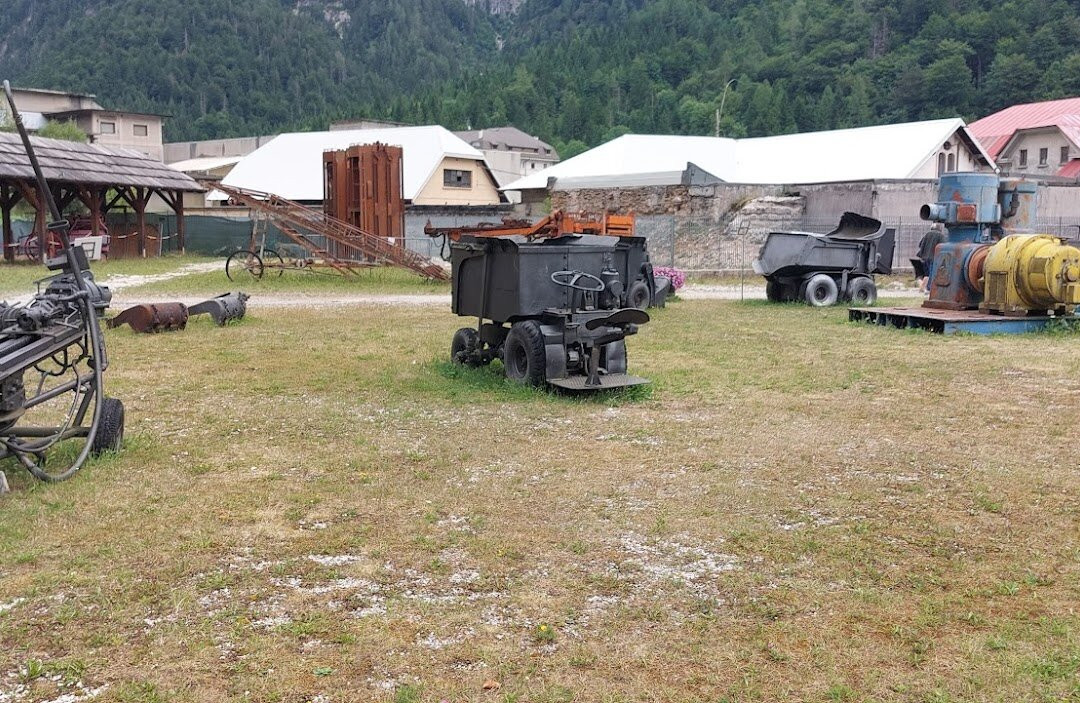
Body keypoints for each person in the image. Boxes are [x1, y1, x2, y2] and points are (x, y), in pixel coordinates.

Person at [916, 224, 945, 293]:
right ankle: (929, 288)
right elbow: (943, 246)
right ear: (940, 229)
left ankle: (923, 287)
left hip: (924, 257)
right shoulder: (940, 235)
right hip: (934, 257)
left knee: (927, 273)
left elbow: (920, 245)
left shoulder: (927, 234)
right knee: (932, 272)